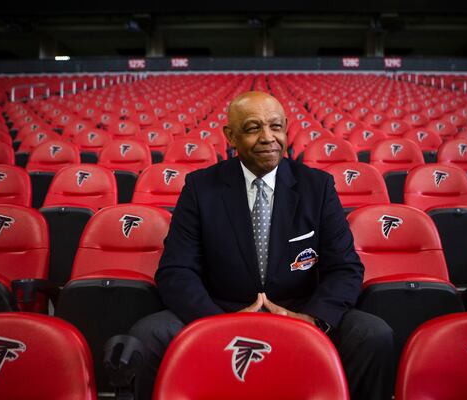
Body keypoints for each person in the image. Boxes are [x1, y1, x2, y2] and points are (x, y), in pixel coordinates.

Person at [128, 91, 395, 399]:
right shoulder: (200, 187)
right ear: (231, 136)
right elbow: (177, 269)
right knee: (146, 337)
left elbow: (345, 268)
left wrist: (311, 319)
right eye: (254, 128)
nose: (269, 138)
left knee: (374, 336)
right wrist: (216, 322)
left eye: (276, 127)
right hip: (222, 308)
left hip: (299, 309)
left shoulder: (317, 186)